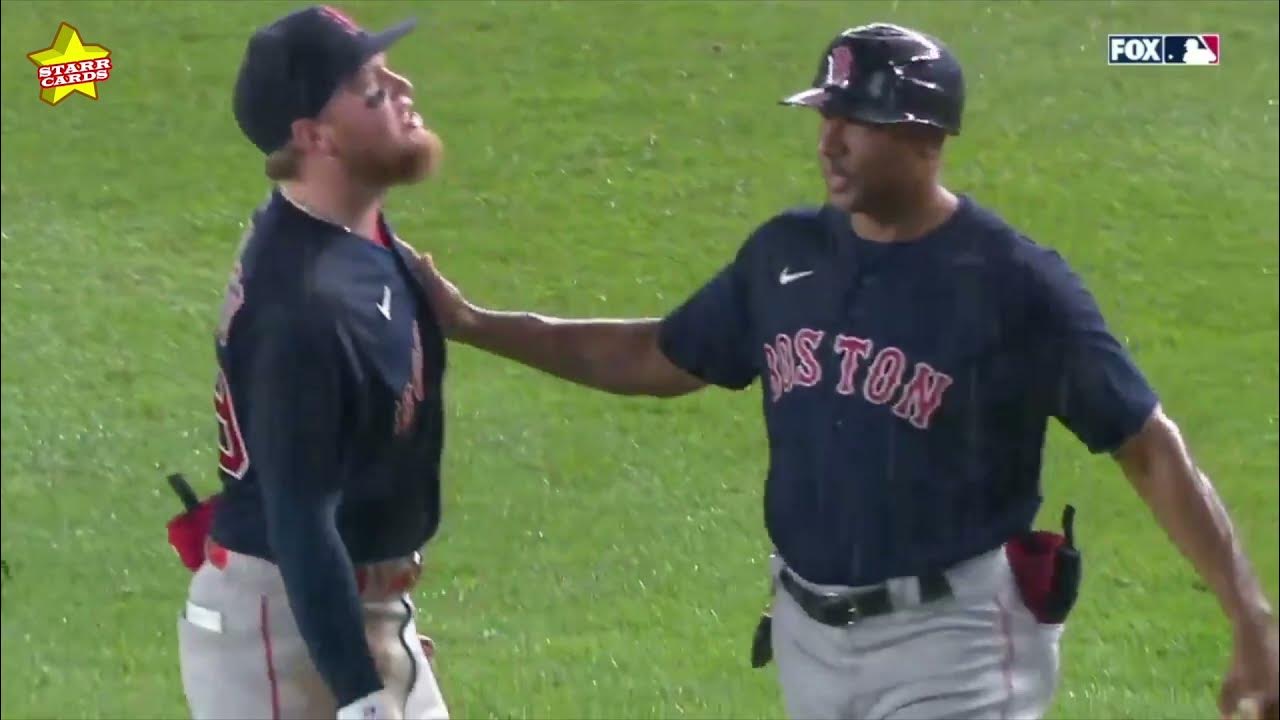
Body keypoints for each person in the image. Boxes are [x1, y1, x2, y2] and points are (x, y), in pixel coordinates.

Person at [409, 22, 1278, 720]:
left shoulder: (1013, 284)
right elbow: (656, 354)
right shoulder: (785, 255)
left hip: (958, 643)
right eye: (827, 114)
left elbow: (1147, 445)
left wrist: (1250, 617)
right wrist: (476, 324)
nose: (829, 140)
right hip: (808, 636)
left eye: (857, 119)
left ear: (928, 136)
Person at [170, 5, 450, 719]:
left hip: (351, 612)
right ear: (313, 136)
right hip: (289, 634)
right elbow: (302, 522)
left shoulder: (350, 231)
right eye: (370, 88)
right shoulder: (304, 307)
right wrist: (360, 694)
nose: (401, 85)